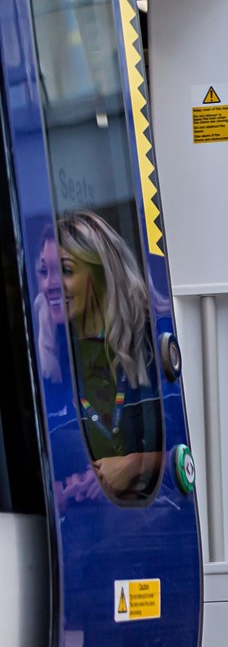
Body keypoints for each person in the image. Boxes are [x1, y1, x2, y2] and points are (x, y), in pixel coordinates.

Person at [39, 211, 162, 502]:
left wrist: (133, 465)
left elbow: (189, 449)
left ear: (101, 273)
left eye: (65, 270)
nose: (50, 284)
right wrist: (60, 489)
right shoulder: (47, 360)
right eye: (44, 272)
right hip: (83, 534)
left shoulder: (150, 339)